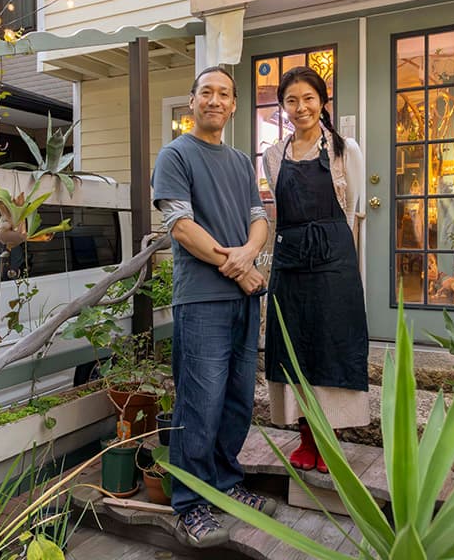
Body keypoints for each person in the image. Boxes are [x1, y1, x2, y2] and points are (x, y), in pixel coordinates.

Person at [151, 66, 278, 549]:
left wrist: (247, 257)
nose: (215, 100)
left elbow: (259, 218)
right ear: (192, 101)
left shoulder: (241, 161)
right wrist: (240, 266)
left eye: (224, 94)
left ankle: (225, 483)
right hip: (202, 300)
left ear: (233, 105)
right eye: (207, 92)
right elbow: (181, 226)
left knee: (237, 399)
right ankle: (189, 502)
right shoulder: (176, 154)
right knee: (198, 404)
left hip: (243, 299)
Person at [262, 66, 370, 474]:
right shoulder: (274, 156)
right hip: (290, 265)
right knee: (296, 350)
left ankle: (330, 440)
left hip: (333, 265)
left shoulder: (346, 149)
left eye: (308, 98)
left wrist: (348, 271)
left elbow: (353, 212)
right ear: (284, 107)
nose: (300, 107)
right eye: (291, 100)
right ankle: (306, 438)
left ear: (323, 101)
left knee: (332, 348)